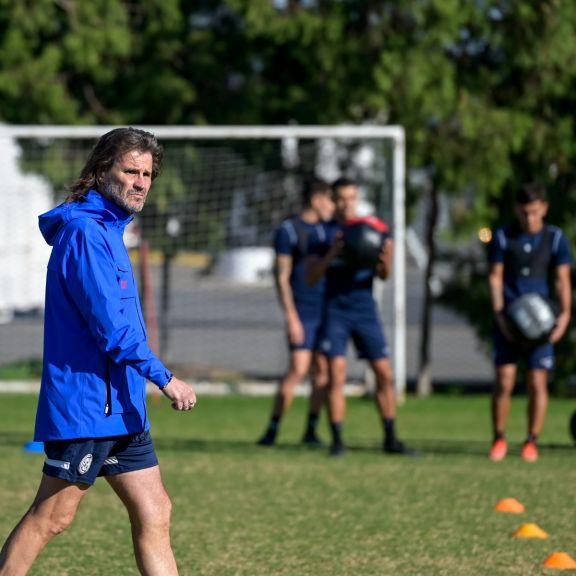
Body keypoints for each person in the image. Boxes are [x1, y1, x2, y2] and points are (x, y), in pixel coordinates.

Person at [0, 128, 197, 576]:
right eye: (130, 170)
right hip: (87, 406)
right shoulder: (85, 234)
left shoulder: (110, 230)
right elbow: (112, 331)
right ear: (100, 171)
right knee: (53, 517)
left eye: (147, 174)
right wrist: (165, 378)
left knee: (155, 511)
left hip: (122, 406)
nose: (141, 182)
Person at [307, 177, 414, 457]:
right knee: (336, 375)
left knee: (384, 373)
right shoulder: (322, 233)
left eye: (351, 197)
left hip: (365, 309)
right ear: (332, 200)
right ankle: (338, 441)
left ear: (357, 198)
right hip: (335, 310)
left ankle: (391, 438)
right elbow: (310, 276)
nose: (346, 204)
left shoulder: (372, 229)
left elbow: (383, 275)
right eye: (341, 198)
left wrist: (386, 260)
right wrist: (333, 253)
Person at [488, 183, 571, 462]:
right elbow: (495, 278)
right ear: (517, 210)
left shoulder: (556, 238)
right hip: (510, 322)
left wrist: (565, 315)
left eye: (535, 212)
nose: (530, 218)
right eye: (525, 213)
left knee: (538, 381)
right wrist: (500, 315)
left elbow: (562, 279)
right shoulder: (502, 236)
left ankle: (531, 440)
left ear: (544, 209)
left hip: (542, 323)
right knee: (505, 379)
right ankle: (498, 437)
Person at [258, 178, 334, 446]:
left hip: (327, 311)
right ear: (316, 200)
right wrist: (291, 317)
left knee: (324, 372)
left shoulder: (329, 231)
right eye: (329, 200)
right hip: (302, 312)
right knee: (298, 370)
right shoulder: (289, 231)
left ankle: (311, 431)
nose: (332, 206)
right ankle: (272, 429)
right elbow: (282, 278)